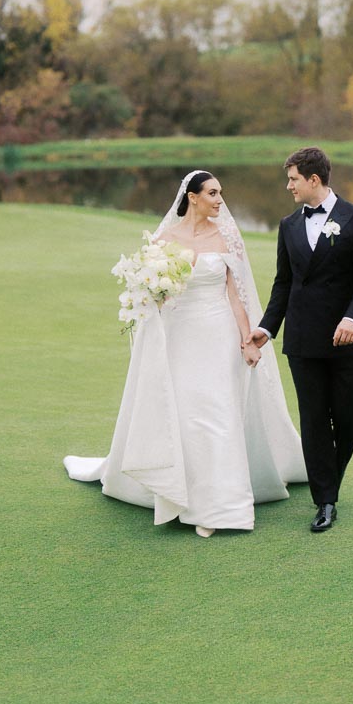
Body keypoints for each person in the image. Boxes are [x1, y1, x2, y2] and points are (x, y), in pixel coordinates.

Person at [64, 170, 306, 537]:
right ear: (192, 197)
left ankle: (220, 508)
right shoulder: (165, 238)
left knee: (217, 412)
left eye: (221, 193)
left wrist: (247, 341)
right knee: (184, 414)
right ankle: (182, 495)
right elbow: (154, 294)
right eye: (212, 193)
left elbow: (237, 296)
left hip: (218, 332)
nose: (219, 200)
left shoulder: (226, 237)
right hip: (179, 336)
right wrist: (152, 296)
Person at [250, 147, 353, 533]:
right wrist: (267, 327)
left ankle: (328, 479)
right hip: (303, 341)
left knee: (348, 418)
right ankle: (325, 500)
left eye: (293, 179)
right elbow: (284, 283)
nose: (287, 185)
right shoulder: (288, 226)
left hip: (348, 339)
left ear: (313, 180)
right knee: (313, 421)